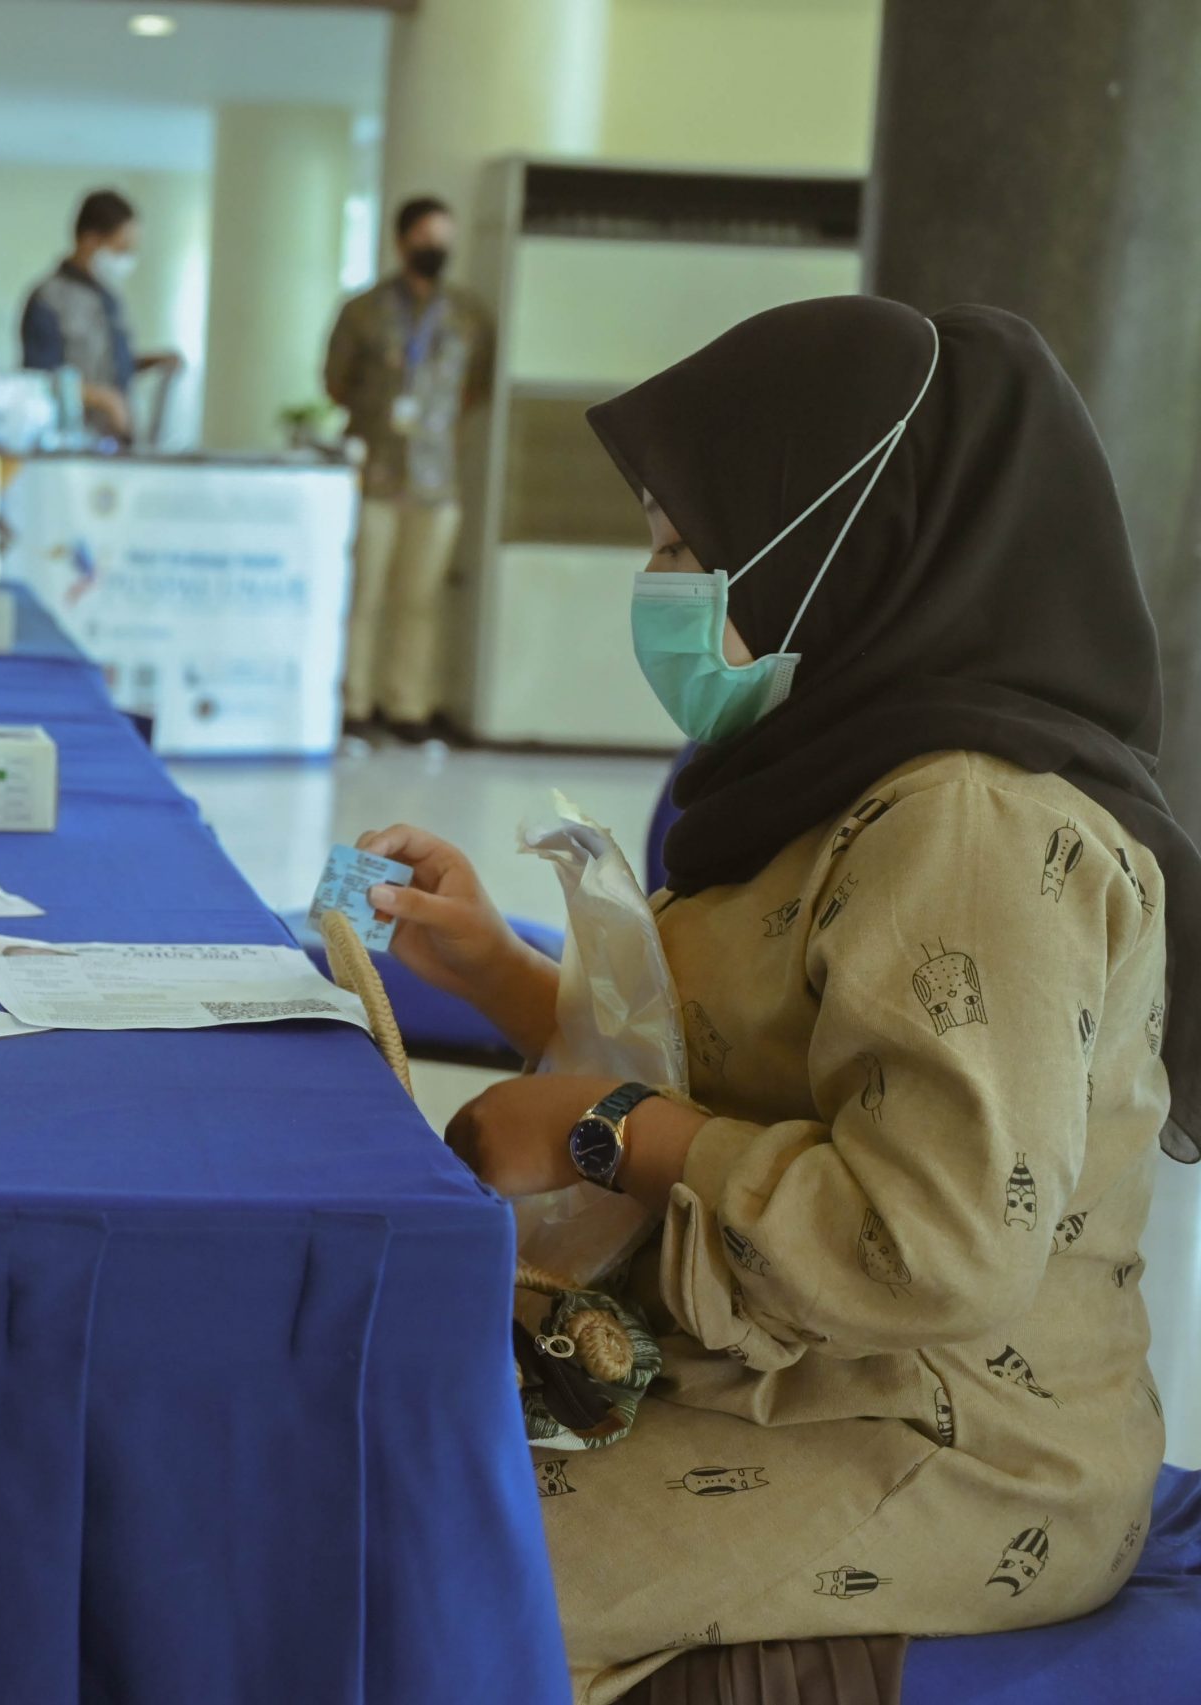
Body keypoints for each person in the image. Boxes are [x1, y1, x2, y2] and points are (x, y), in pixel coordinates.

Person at [362, 297, 1192, 1702]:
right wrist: (497, 974)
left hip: (943, 1444)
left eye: (689, 546)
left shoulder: (969, 826)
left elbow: (930, 1242)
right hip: (770, 1365)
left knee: (400, 1560)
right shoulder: (844, 771)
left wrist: (608, 1133)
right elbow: (751, 1058)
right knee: (351, 1428)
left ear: (835, 549)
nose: (662, 582)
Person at [323, 194, 496, 740]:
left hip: (435, 479)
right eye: (426, 237)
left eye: (445, 238)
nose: (437, 248)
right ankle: (355, 703)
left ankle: (409, 707)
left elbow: (475, 388)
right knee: (365, 592)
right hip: (375, 472)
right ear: (401, 243)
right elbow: (335, 382)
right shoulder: (363, 310)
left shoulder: (469, 315)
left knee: (421, 600)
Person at [19, 189, 183, 446]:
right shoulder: (48, 299)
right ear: (90, 241)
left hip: (119, 442)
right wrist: (104, 400)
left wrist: (152, 361)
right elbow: (38, 380)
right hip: (72, 444)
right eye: (121, 247)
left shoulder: (108, 297)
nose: (127, 258)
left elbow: (108, 363)